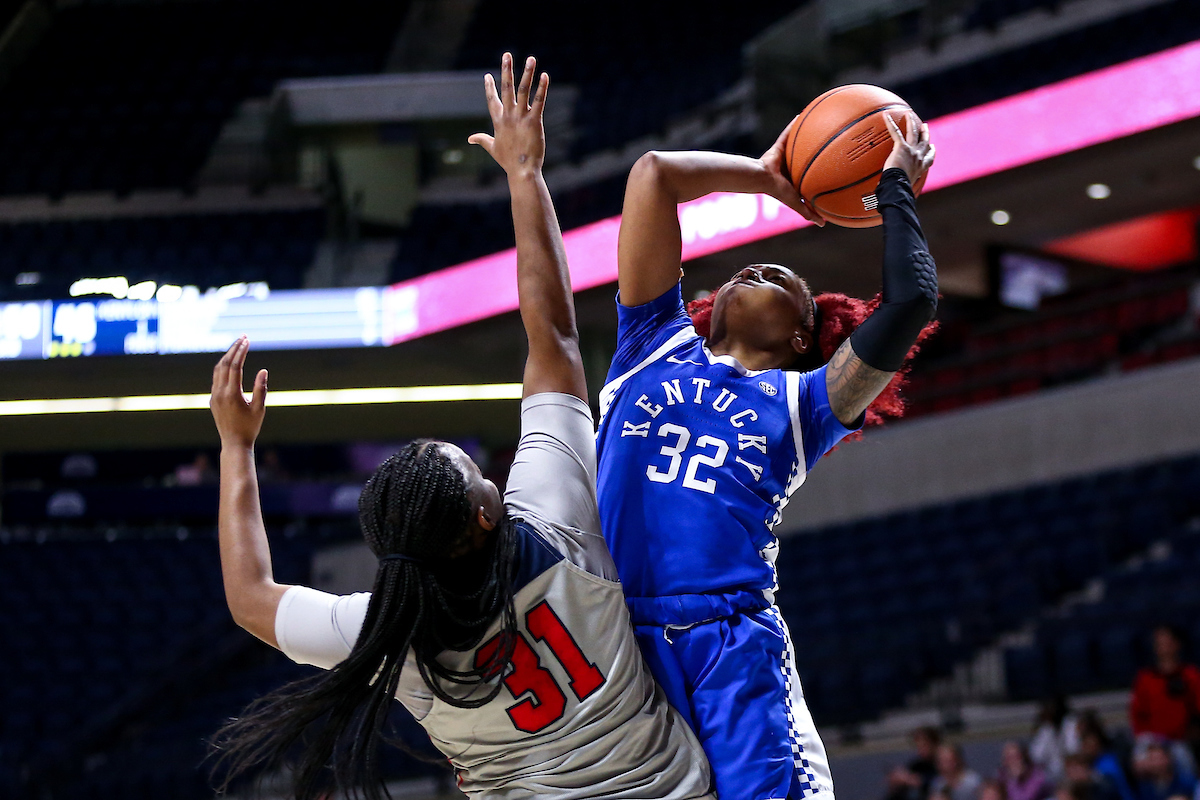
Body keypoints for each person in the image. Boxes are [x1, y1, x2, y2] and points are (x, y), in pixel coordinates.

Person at [206, 53, 714, 800]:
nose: (493, 475)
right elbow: (555, 338)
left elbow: (251, 597)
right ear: (484, 513)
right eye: (479, 470)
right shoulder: (555, 521)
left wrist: (235, 448)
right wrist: (523, 175)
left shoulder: (385, 632)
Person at [595, 99, 938, 797]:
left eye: (786, 279)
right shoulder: (649, 348)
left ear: (805, 338)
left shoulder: (808, 403)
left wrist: (894, 188)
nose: (758, 271)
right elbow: (654, 175)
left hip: (731, 639)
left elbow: (911, 303)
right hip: (619, 635)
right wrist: (764, 176)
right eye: (747, 272)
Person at [1131, 625, 1200, 771]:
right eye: (1158, 643)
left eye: (1166, 642)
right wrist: (1148, 742)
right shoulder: (1145, 678)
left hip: (1182, 742)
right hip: (1152, 742)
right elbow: (1138, 716)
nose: (1163, 647)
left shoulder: (1190, 675)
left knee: (1183, 760)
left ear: (1177, 644)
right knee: (1140, 763)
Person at [1033, 696, 1082, 781]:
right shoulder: (1046, 729)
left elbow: (1073, 749)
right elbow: (1036, 756)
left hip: (1073, 771)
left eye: (1051, 709)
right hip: (1052, 775)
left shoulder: (1071, 723)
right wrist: (1045, 730)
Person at [1132, 734, 1197, 800]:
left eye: (1159, 758)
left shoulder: (1186, 782)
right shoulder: (1144, 787)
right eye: (1152, 759)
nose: (1156, 764)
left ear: (1168, 759)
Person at [887, 726, 944, 800]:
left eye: (924, 745)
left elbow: (942, 781)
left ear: (934, 744)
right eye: (918, 746)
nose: (920, 750)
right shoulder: (916, 765)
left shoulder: (943, 761)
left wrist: (917, 780)